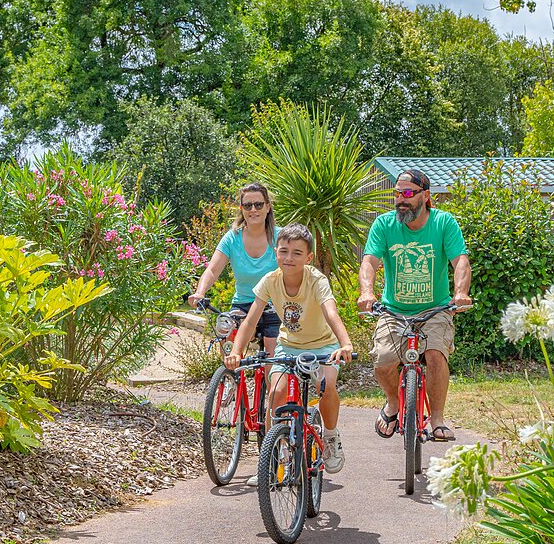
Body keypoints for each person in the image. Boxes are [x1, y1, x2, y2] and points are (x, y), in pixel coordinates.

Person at [227, 224, 355, 473]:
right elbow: (251, 320)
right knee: (276, 392)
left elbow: (331, 312)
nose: (288, 258)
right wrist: (236, 351)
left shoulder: (316, 280)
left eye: (297, 253)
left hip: (323, 346)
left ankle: (330, 436)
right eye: (283, 251)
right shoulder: (270, 280)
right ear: (275, 252)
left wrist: (345, 343)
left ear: (308, 258)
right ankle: (273, 454)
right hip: (288, 346)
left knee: (326, 386)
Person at [358, 169, 471, 443]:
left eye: (408, 194)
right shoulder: (384, 225)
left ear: (426, 196)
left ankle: (438, 419)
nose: (401, 200)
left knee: (435, 355)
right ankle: (394, 405)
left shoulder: (444, 223)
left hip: (436, 310)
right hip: (394, 311)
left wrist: (460, 293)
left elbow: (461, 262)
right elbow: (370, 262)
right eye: (397, 194)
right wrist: (367, 292)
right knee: (383, 362)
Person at [188, 182, 281, 356]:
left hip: (273, 305)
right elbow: (213, 270)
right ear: (242, 209)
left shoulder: (281, 238)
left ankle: (269, 382)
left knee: (273, 360)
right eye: (247, 205)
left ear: (267, 207)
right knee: (228, 334)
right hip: (243, 305)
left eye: (258, 204)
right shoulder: (232, 238)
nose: (253, 209)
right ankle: (231, 381)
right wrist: (200, 293)